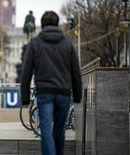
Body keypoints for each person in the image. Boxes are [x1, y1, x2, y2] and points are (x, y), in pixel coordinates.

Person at [20, 11, 82, 155]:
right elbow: (76, 72)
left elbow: (26, 72)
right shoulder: (67, 43)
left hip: (44, 92)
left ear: (41, 25)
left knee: (46, 129)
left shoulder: (35, 43)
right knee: (59, 130)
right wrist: (78, 95)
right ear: (57, 24)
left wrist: (25, 98)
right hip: (63, 93)